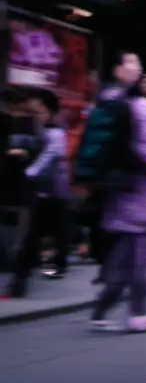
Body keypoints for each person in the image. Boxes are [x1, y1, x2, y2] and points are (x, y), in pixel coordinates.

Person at [91, 62, 146, 332]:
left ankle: (101, 310)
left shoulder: (117, 104)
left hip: (127, 192)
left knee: (124, 256)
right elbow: (145, 148)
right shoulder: (141, 110)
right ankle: (137, 313)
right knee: (138, 256)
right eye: (131, 63)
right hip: (140, 193)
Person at [8, 89, 73, 296]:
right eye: (34, 111)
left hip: (53, 192)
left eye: (40, 111)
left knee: (43, 234)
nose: (37, 114)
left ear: (50, 112)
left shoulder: (55, 133)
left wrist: (30, 172)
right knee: (37, 236)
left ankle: (32, 273)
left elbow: (51, 156)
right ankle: (24, 277)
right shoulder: (43, 130)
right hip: (45, 192)